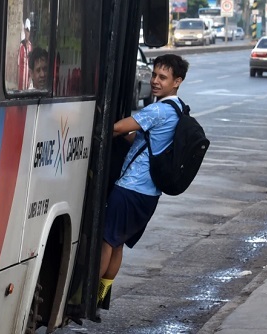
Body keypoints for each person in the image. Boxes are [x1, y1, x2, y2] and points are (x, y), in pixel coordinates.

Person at [97, 54, 189, 308]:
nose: (156, 82)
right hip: (148, 194)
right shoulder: (178, 109)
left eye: (163, 77)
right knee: (117, 245)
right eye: (154, 75)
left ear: (177, 81)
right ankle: (102, 297)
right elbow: (143, 142)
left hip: (130, 188)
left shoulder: (157, 110)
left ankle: (89, 296)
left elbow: (115, 128)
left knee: (106, 242)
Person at [18, 19, 32, 90]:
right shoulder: (21, 45)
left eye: (28, 31)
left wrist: (30, 78)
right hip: (21, 79)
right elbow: (18, 63)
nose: (27, 33)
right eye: (26, 31)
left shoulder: (30, 46)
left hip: (27, 79)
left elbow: (30, 63)